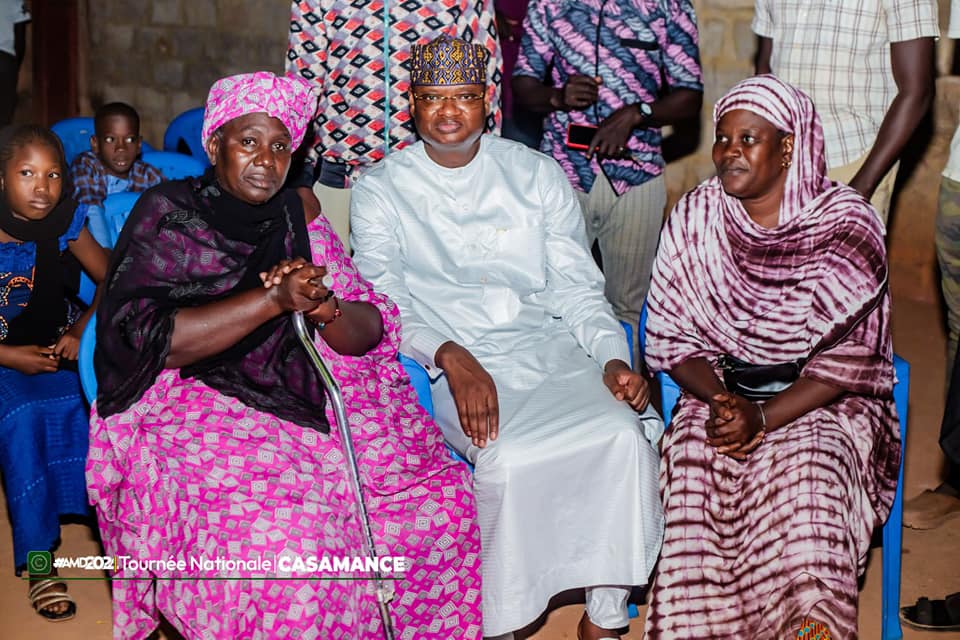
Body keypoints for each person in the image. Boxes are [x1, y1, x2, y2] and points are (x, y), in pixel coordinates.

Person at [85, 71, 482, 640]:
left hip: (298, 385)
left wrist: (323, 306)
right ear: (216, 142)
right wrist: (270, 300)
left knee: (441, 504)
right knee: (287, 545)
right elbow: (150, 341)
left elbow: (370, 326)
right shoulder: (168, 212)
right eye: (248, 142)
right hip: (192, 398)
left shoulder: (298, 217)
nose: (265, 161)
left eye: (279, 147)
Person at [350, 35, 664, 640]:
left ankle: (605, 616)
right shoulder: (379, 188)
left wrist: (611, 357)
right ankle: (508, 618)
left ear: (487, 102)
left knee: (624, 437)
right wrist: (449, 355)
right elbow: (386, 302)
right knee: (509, 460)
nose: (449, 112)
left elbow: (577, 287)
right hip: (455, 363)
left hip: (550, 348)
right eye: (433, 99)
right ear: (410, 105)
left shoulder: (535, 173)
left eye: (464, 97)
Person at [643, 75, 899, 639]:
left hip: (821, 401)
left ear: (788, 147)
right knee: (692, 474)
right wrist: (720, 401)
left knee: (809, 487)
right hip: (718, 393)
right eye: (722, 139)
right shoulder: (696, 217)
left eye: (748, 139)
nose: (729, 151)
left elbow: (850, 361)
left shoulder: (848, 226)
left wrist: (764, 416)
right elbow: (669, 335)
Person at [512, 0, 703, 363]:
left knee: (627, 307)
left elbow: (689, 96)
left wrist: (637, 113)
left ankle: (626, 401)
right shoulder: (550, 5)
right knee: (552, 300)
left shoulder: (669, 6)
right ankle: (565, 403)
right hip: (563, 173)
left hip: (638, 173)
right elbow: (523, 82)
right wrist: (556, 95)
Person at [286, 0, 502, 249]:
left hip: (431, 172)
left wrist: (485, 167)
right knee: (333, 277)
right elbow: (302, 82)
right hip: (342, 171)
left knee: (428, 276)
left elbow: (486, 78)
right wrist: (299, 178)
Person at [0, 124, 108, 621]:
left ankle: (114, 538)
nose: (42, 188)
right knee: (21, 417)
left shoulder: (65, 221)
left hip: (55, 344)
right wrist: (9, 357)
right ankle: (41, 561)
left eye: (53, 175)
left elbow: (112, 276)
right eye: (26, 173)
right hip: (5, 360)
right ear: (2, 178)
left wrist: (83, 328)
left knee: (93, 408)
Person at [753, 0, 938, 224]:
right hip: (780, 161)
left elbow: (917, 91)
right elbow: (765, 66)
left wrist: (858, 191)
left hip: (854, 159)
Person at [70, 102, 164, 246]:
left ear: (139, 144)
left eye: (129, 139)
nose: (121, 148)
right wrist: (106, 255)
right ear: (95, 143)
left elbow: (173, 206)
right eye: (110, 139)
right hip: (96, 251)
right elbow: (90, 207)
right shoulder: (86, 166)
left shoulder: (148, 174)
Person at [0, 1, 28, 126]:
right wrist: (14, 66)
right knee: (4, 119)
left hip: (5, 60)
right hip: (5, 59)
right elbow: (20, 35)